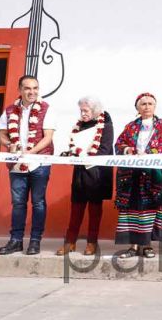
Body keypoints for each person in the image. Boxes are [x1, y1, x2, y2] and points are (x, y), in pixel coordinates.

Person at [0, 76, 56, 256]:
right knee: (18, 203)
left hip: (40, 163)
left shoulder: (47, 109)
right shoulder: (9, 111)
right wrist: (9, 145)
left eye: (35, 88)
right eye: (28, 88)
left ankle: (35, 241)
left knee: (38, 203)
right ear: (20, 90)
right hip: (17, 164)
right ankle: (16, 241)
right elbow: (2, 135)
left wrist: (31, 153)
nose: (32, 92)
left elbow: (48, 137)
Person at [114, 92, 162, 259]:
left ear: (155, 107)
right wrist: (128, 150)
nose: (147, 107)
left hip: (152, 175)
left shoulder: (161, 126)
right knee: (133, 208)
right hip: (132, 175)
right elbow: (119, 144)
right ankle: (133, 246)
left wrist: (148, 153)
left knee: (149, 208)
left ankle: (146, 245)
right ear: (137, 108)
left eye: (150, 104)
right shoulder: (130, 126)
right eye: (143, 104)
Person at [55, 96, 114, 256]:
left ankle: (91, 243)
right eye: (81, 110)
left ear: (95, 111)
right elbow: (74, 146)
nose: (83, 113)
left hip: (97, 173)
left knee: (94, 211)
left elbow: (105, 149)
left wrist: (87, 157)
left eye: (86, 110)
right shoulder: (79, 126)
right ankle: (70, 243)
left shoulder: (106, 125)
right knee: (76, 209)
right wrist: (72, 153)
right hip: (81, 172)